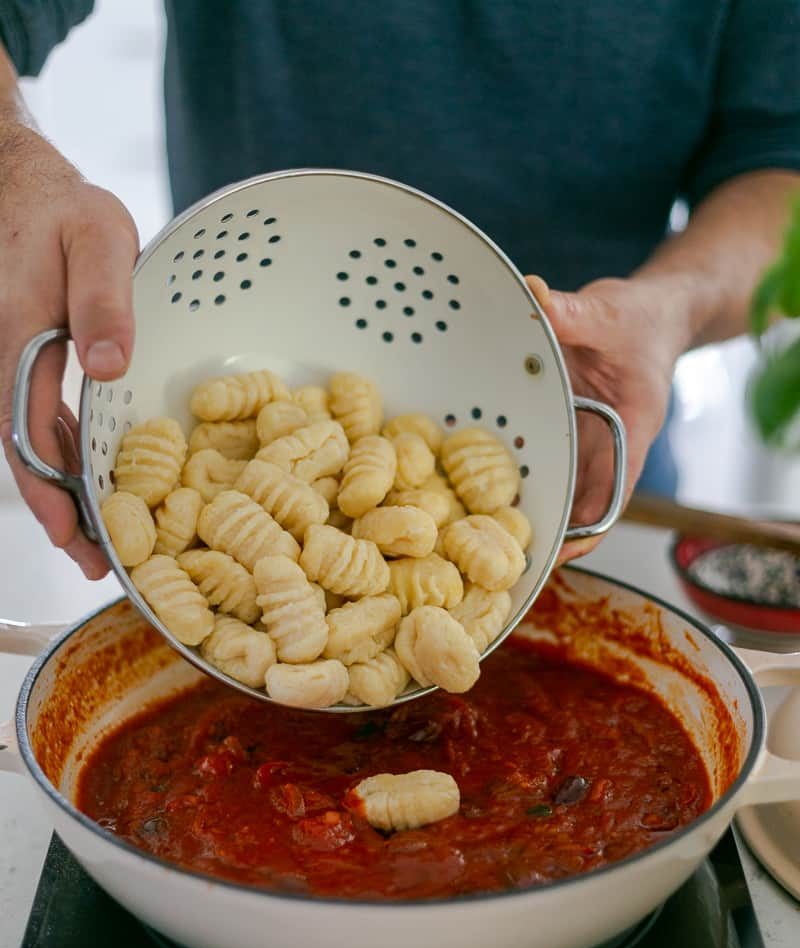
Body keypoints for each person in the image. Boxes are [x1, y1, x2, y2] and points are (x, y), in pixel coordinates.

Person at [0, 2, 798, 580]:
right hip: (202, 354)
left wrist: (675, 306)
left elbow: (781, 160)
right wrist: (14, 167)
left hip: (589, 454)